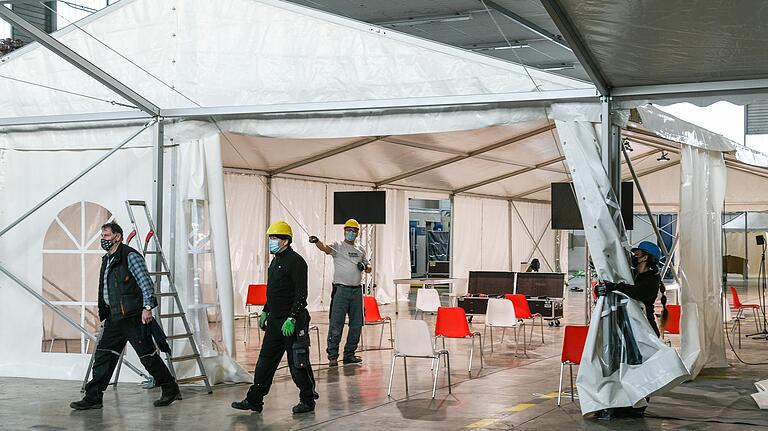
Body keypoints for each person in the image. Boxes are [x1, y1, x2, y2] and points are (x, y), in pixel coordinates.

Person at [71, 222, 179, 410]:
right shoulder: (108, 258)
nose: (103, 239)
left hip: (133, 316)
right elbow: (105, 288)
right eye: (102, 236)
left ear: (117, 237)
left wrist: (147, 308)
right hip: (114, 317)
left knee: (147, 356)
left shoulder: (130, 256)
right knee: (103, 355)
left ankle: (170, 388)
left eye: (106, 236)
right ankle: (93, 397)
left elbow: (145, 283)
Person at [232, 221, 318, 414]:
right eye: (270, 238)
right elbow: (273, 290)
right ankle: (254, 399)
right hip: (275, 320)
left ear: (285, 241)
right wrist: (266, 310)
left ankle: (308, 399)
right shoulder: (275, 260)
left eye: (274, 238)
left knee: (298, 362)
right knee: (265, 361)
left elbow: (301, 294)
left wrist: (292, 318)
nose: (271, 241)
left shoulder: (296, 262)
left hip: (292, 322)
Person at [308, 219, 371, 367]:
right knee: (336, 323)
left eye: (353, 231)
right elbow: (325, 248)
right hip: (341, 290)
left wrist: (365, 267)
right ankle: (333, 355)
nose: (350, 233)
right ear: (344, 231)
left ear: (357, 233)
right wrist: (317, 241)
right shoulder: (338, 246)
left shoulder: (361, 249)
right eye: (348, 230)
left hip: (356, 292)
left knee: (356, 324)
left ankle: (349, 354)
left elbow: (369, 267)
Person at [612, 241, 668, 336]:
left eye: (637, 254)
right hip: (639, 326)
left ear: (645, 258)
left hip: (647, 329)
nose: (634, 257)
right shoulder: (638, 275)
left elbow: (637, 292)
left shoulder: (652, 279)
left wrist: (615, 286)